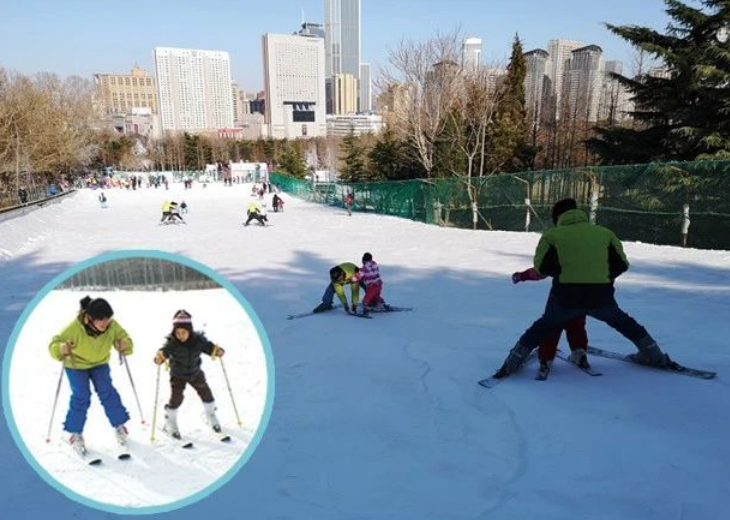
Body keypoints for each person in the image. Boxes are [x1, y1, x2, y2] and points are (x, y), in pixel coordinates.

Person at [495, 198, 673, 378]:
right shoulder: (605, 233)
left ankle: (512, 363)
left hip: (565, 298)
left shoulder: (552, 235)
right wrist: (602, 278)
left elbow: (542, 268)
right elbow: (621, 264)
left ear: (557, 216)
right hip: (601, 296)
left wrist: (565, 271)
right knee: (624, 323)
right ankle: (653, 355)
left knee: (542, 327)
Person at [48, 296, 133, 454]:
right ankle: (75, 433)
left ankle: (119, 425)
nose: (104, 323)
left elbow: (125, 337)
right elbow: (54, 344)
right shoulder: (75, 328)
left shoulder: (112, 326)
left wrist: (124, 344)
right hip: (76, 365)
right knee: (81, 395)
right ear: (89, 318)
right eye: (100, 320)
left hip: (99, 362)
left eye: (107, 319)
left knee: (107, 391)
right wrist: (61, 348)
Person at [154, 310, 226, 437]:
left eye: (183, 332)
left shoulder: (198, 341)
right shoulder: (172, 343)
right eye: (177, 333)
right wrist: (159, 358)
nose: (180, 336)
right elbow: (163, 352)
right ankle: (170, 420)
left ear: (190, 331)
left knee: (206, 393)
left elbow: (210, 348)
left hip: (195, 373)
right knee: (176, 398)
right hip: (178, 375)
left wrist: (217, 351)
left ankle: (210, 415)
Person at [512, 268, 590, 371]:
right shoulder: (593, 254)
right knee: (576, 326)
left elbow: (543, 269)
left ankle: (546, 359)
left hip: (560, 295)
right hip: (584, 295)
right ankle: (579, 354)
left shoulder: (563, 252)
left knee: (551, 327)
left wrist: (522, 276)